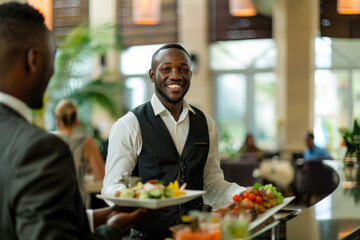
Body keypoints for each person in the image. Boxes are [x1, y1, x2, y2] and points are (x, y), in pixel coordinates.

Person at [0, 2, 149, 239]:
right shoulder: (38, 149)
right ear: (34, 60)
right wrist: (113, 229)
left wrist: (99, 216)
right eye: (53, 58)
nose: (52, 71)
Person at [102, 43, 246, 239]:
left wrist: (243, 195)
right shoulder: (129, 124)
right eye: (166, 69)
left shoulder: (207, 125)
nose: (176, 75)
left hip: (195, 233)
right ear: (152, 76)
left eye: (183, 69)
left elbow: (212, 184)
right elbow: (111, 186)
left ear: (190, 76)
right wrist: (137, 196)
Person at [53, 99, 105, 208]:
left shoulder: (49, 139)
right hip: (77, 202)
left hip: (53, 201)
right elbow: (101, 175)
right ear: (76, 120)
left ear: (58, 121)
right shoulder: (86, 141)